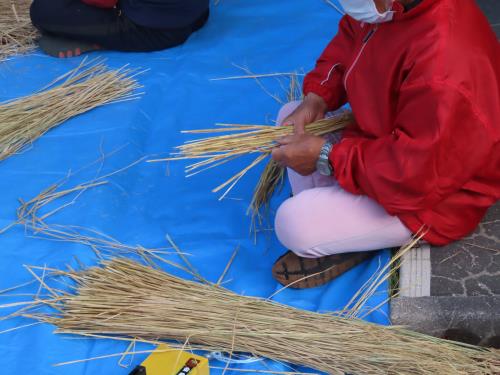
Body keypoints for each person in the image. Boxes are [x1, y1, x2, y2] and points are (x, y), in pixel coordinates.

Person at [271, 0, 500, 289]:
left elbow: (414, 175)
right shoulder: (389, 7)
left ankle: (347, 229)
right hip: (381, 139)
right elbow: (351, 38)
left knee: (293, 223)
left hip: (435, 197)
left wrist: (328, 156)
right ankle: (347, 222)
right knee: (289, 120)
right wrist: (318, 95)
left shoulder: (443, 64)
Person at [30, 0, 209, 58]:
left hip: (156, 30)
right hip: (198, 11)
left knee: (43, 11)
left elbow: (103, 2)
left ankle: (99, 39)